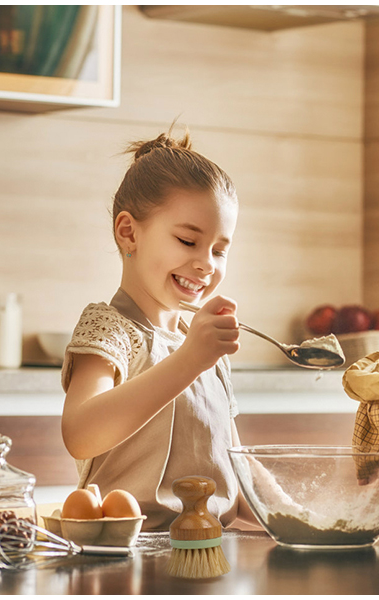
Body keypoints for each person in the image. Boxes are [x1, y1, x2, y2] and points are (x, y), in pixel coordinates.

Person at [61, 128, 255, 530]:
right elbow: (80, 434)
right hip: (128, 562)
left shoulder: (203, 345)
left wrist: (305, 519)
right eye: (188, 241)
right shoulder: (110, 329)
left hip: (210, 557)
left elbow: (238, 478)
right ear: (129, 232)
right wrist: (190, 360)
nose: (206, 264)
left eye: (220, 250)